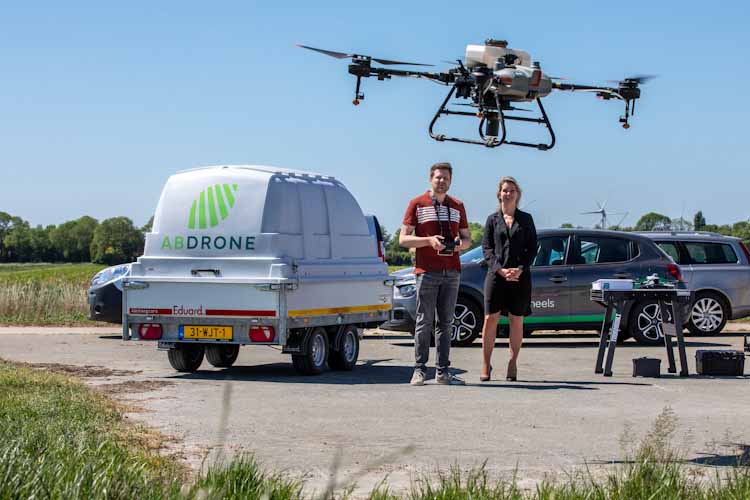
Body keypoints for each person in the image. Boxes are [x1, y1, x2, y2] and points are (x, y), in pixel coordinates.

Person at [400, 162, 472, 386]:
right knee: (424, 321)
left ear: (451, 181)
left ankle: (443, 372)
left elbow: (467, 239)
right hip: (427, 271)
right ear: (431, 178)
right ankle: (419, 370)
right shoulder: (417, 203)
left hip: (452, 271)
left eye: (446, 178)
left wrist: (459, 245)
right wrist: (428, 241)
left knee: (446, 323)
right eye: (438, 177)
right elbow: (403, 239)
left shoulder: (457, 205)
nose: (442, 181)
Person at [479, 176, 537, 382]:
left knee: (516, 319)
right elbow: (486, 248)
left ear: (517, 194)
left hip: (520, 277)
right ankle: (486, 363)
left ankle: (513, 363)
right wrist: (499, 269)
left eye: (512, 190)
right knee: (490, 319)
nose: (508, 194)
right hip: (496, 276)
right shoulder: (492, 220)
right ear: (499, 194)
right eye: (505, 190)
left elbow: (532, 248)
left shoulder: (526, 219)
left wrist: (520, 269)